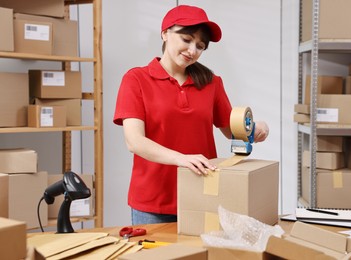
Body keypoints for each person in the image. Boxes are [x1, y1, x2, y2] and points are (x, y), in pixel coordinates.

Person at [113, 5, 269, 225]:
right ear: (165, 33)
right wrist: (182, 159)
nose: (193, 50)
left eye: (200, 46)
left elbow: (233, 132)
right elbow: (134, 141)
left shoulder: (212, 83)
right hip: (153, 201)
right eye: (186, 39)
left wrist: (256, 129)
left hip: (202, 193)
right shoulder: (136, 79)